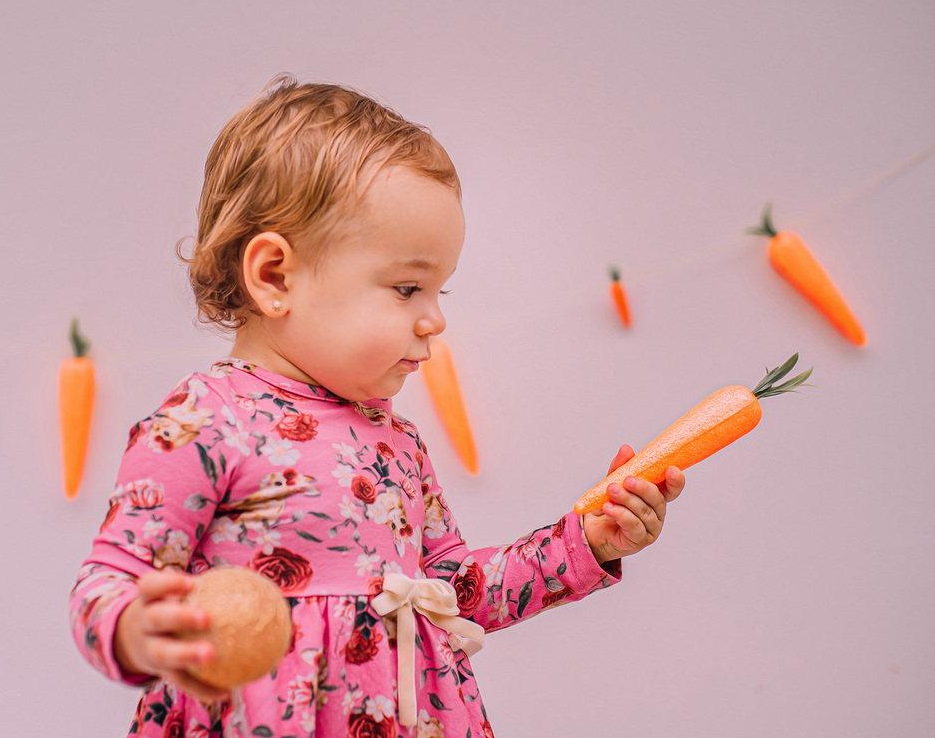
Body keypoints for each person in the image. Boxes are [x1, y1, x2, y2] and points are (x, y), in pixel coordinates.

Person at [69, 73, 686, 738]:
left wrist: (586, 540)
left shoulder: (398, 441)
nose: (435, 319)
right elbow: (105, 584)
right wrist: (137, 628)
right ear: (276, 275)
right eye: (407, 288)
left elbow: (458, 589)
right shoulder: (200, 422)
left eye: (440, 291)